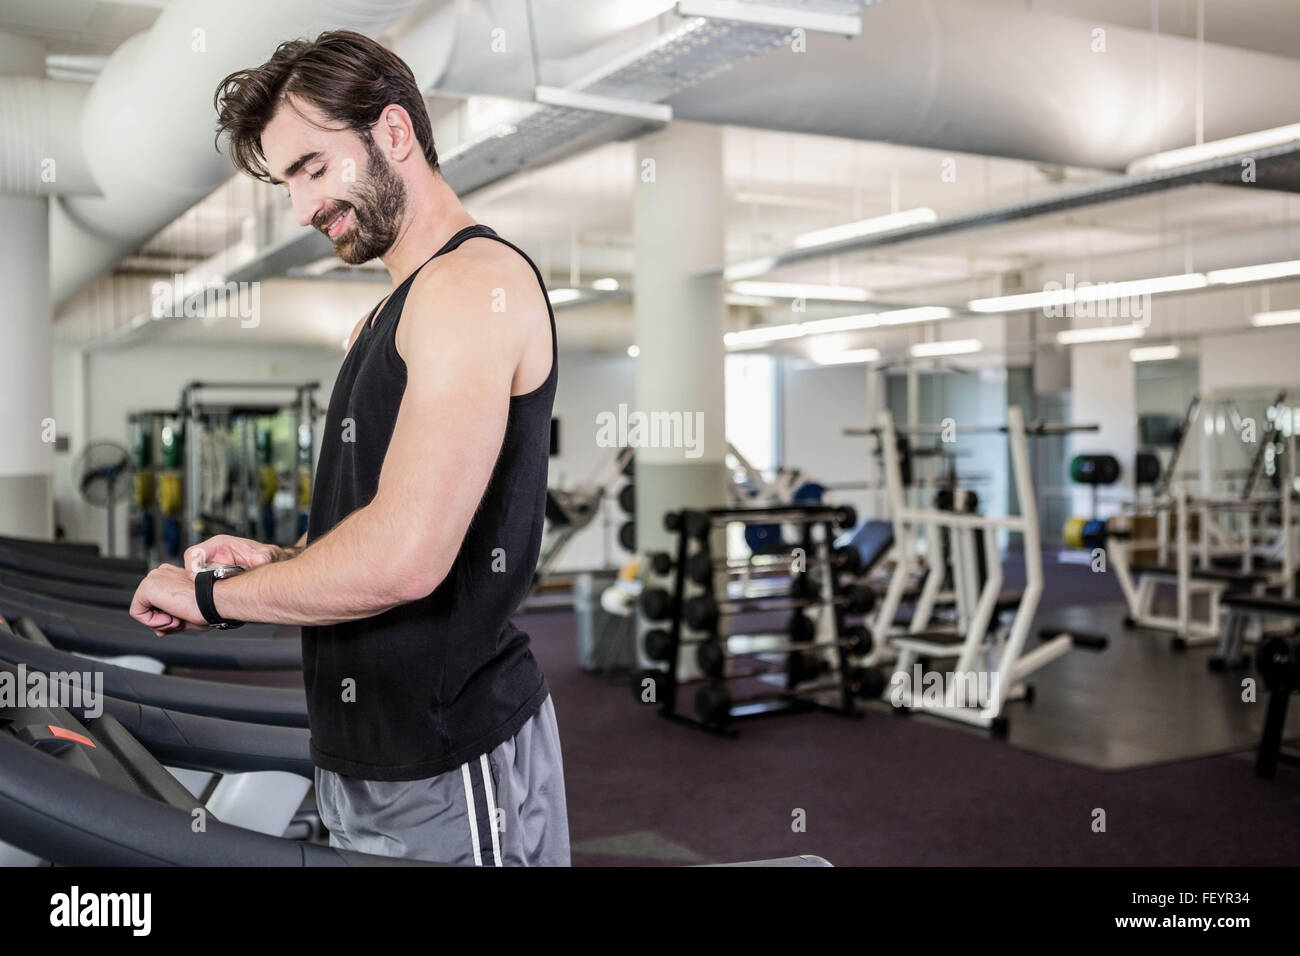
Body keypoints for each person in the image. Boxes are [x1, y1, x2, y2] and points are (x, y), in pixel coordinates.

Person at [129, 30, 569, 867]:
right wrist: (272, 561)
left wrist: (215, 599)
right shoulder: (382, 317)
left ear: (393, 134)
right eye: (286, 181)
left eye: (312, 168)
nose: (302, 209)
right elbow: (377, 524)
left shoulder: (473, 286)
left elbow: (407, 561)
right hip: (365, 743)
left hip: (449, 747)